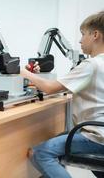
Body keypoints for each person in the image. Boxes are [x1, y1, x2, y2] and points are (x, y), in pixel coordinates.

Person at [20, 11, 104, 178]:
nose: (80, 40)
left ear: (95, 35)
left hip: (96, 136)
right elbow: (67, 87)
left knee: (40, 153)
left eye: (83, 34)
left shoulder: (91, 64)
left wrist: (22, 72)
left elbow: (50, 88)